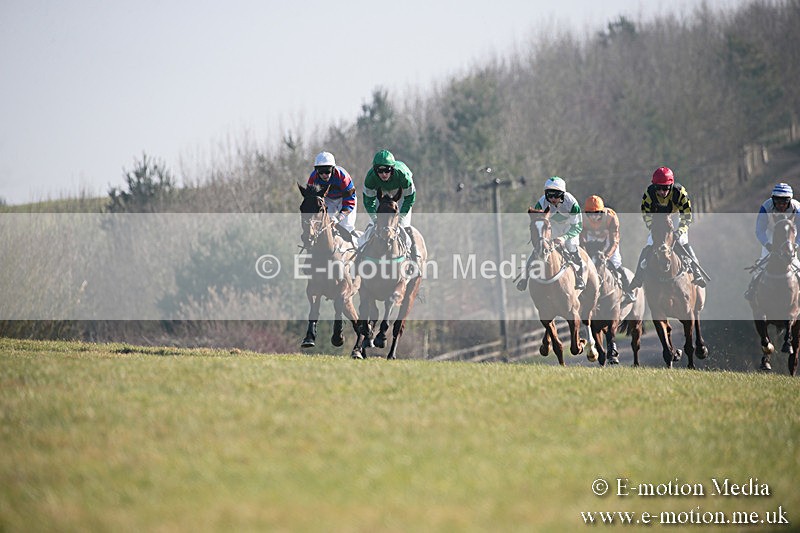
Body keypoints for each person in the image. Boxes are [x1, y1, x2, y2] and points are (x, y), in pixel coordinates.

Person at [626, 166, 706, 302]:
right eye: (659, 188)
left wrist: (679, 231)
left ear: (671, 185)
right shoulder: (649, 194)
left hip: (676, 217)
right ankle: (638, 277)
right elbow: (646, 214)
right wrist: (653, 228)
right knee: (650, 243)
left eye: (666, 188)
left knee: (682, 241)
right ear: (654, 186)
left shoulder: (680, 193)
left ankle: (696, 272)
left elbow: (687, 216)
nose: (662, 192)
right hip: (658, 220)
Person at [517, 176, 586, 291]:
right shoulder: (541, 203)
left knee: (571, 246)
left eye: (556, 195)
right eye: (550, 195)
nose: (553, 198)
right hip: (551, 228)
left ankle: (579, 277)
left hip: (569, 228)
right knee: (539, 247)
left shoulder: (572, 203)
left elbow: (577, 226)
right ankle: (525, 277)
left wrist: (564, 237)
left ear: (563, 194)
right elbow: (537, 222)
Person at [359, 149, 419, 263]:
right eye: (380, 171)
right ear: (375, 170)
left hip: (401, 194)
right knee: (372, 226)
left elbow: (409, 198)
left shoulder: (403, 176)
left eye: (387, 170)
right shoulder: (370, 178)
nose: (384, 174)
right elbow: (369, 202)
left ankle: (413, 258)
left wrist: (401, 216)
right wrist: (375, 218)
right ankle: (359, 256)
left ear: (392, 169)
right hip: (381, 194)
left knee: (403, 227)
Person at [744, 182, 800, 301]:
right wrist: (767, 244)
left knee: (796, 265)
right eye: (777, 202)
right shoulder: (766, 207)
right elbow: (760, 230)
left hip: (790, 236)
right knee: (762, 264)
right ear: (773, 200)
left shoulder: (797, 208)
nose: (781, 205)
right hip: (771, 234)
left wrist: (796, 244)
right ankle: (752, 290)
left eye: (784, 202)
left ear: (789, 201)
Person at [580, 195, 636, 302]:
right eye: (590, 213)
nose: (593, 217)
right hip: (591, 240)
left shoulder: (611, 217)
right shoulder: (581, 218)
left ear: (602, 212)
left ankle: (628, 290)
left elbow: (614, 241)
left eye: (596, 213)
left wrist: (606, 256)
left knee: (615, 262)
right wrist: (584, 253)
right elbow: (581, 240)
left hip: (608, 240)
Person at [305, 151, 357, 242]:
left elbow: (349, 201)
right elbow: (311, 200)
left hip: (344, 200)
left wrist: (339, 218)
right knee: (322, 225)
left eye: (327, 171)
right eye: (320, 172)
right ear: (316, 171)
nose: (324, 175)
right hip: (328, 200)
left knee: (346, 226)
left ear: (333, 169)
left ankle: (354, 244)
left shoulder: (343, 177)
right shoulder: (313, 178)